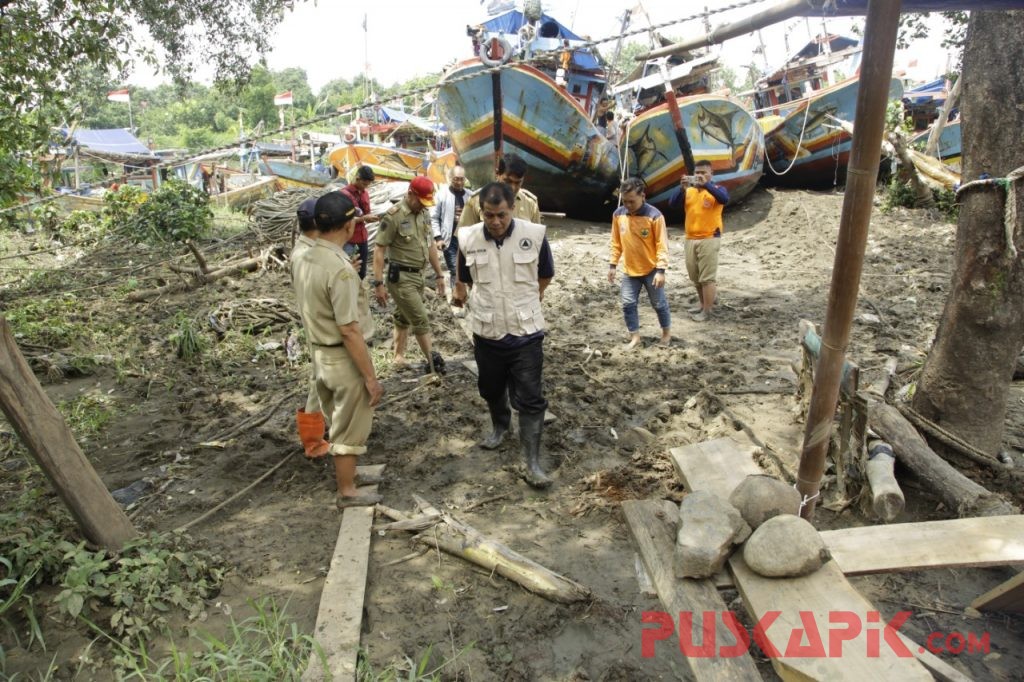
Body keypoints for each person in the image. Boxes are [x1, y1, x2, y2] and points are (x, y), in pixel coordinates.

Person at [452, 182, 554, 489]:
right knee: (490, 388)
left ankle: (532, 461)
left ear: (512, 209)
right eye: (489, 215)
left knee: (531, 397)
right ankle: (500, 428)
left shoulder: (533, 235)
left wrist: (528, 300)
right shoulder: (468, 237)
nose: (495, 222)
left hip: (526, 334)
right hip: (487, 331)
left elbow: (546, 273)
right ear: (480, 211)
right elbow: (465, 277)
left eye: (501, 215)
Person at [293, 192, 384, 508]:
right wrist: (370, 377)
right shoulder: (340, 270)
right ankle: (347, 491)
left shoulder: (305, 256)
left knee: (337, 419)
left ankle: (350, 478)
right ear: (348, 226)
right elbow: (349, 329)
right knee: (349, 428)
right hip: (342, 358)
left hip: (320, 354)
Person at [371, 176, 447, 369]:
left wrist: (439, 274)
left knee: (403, 316)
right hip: (401, 278)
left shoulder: (423, 214)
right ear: (410, 194)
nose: (423, 206)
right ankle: (432, 363)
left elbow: (429, 245)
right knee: (420, 318)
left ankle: (398, 358)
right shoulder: (393, 216)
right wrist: (378, 283)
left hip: (418, 275)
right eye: (420, 201)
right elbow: (379, 250)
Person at [608, 177, 671, 348]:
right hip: (629, 270)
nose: (628, 205)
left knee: (659, 304)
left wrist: (661, 270)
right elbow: (616, 242)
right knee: (627, 303)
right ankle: (635, 336)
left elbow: (662, 244)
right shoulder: (618, 215)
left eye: (632, 201)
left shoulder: (655, 216)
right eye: (625, 201)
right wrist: (613, 265)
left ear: (643, 196)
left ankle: (666, 333)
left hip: (651, 269)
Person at [668, 159, 729, 321]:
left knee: (707, 277)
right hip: (690, 238)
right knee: (695, 276)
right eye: (697, 173)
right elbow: (672, 204)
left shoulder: (716, 189)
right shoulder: (689, 191)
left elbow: (724, 199)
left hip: (710, 237)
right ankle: (702, 304)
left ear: (711, 174)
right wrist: (681, 188)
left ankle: (708, 311)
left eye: (704, 173)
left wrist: (706, 185)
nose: (700, 176)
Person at [292, 198, 330, 458]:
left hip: (314, 322)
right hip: (320, 325)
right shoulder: (308, 255)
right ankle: (314, 442)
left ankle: (316, 436)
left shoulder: (303, 249)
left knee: (319, 379)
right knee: (321, 379)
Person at [457, 153, 540, 228]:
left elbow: (537, 239)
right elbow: (462, 238)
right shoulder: (475, 201)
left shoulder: (530, 203)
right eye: (508, 181)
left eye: (518, 183)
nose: (512, 188)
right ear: (497, 174)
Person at [430, 165, 468, 284]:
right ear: (450, 178)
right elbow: (434, 217)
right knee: (454, 270)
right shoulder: (441, 195)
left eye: (461, 179)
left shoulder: (470, 196)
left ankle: (468, 297)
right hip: (450, 239)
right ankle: (456, 297)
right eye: (456, 179)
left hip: (467, 239)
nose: (459, 182)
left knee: (469, 270)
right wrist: (438, 238)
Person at [340, 165, 379, 280]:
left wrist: (369, 217)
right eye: (364, 184)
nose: (365, 187)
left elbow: (366, 213)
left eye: (367, 185)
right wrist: (364, 218)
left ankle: (358, 294)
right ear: (357, 179)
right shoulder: (344, 195)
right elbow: (344, 219)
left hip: (363, 238)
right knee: (347, 272)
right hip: (349, 239)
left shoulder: (365, 193)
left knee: (361, 272)